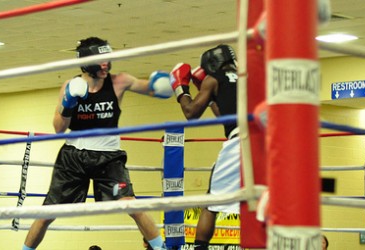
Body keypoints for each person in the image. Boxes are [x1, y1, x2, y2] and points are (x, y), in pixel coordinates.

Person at [21, 37, 174, 250]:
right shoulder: (70, 86)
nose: (106, 65)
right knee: (47, 213)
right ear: (86, 62)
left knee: (132, 205)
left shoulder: (120, 81)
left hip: (109, 159)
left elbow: (151, 88)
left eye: (108, 60)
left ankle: (160, 248)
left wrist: (170, 84)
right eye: (101, 60)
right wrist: (68, 103)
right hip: (73, 156)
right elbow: (58, 128)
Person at [170, 44, 239, 250]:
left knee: (210, 203)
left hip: (240, 141)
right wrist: (210, 100)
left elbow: (191, 113)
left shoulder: (214, 79)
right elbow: (226, 117)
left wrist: (181, 89)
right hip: (268, 141)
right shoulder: (248, 76)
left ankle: (200, 248)